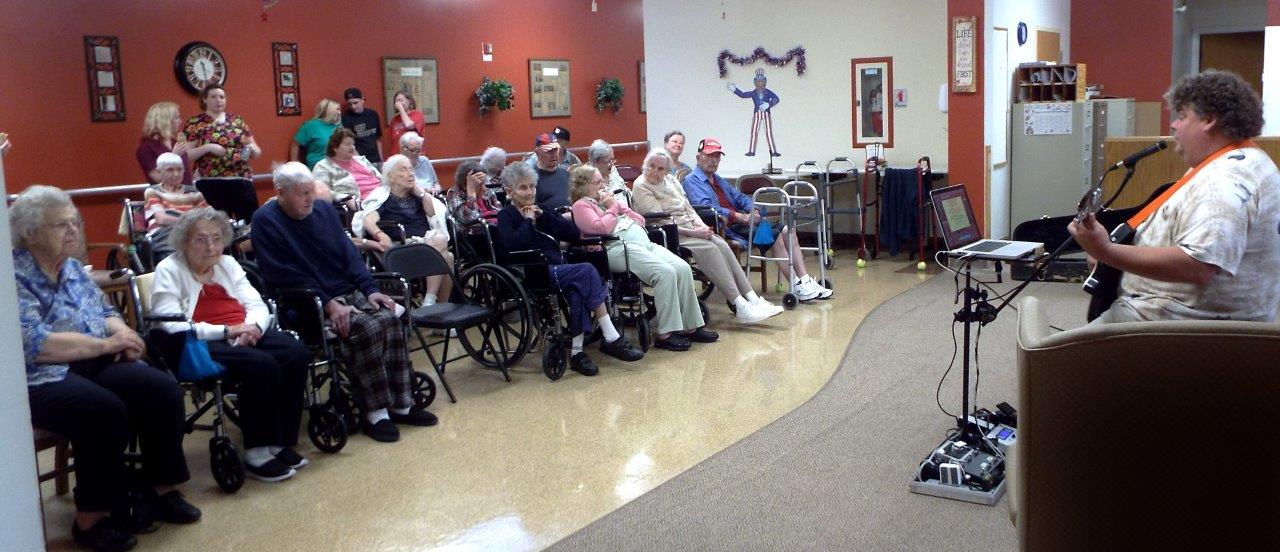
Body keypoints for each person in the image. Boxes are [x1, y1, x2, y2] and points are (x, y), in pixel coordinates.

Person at [14, 185, 200, 551]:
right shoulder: (13, 276)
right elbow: (34, 343)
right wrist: (105, 345)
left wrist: (124, 334)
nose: (73, 230)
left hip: (92, 359)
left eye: (74, 222)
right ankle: (92, 519)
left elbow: (103, 310)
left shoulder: (71, 268)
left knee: (161, 389)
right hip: (40, 376)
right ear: (31, 233)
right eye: (61, 225)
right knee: (102, 409)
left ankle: (160, 489)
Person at [1068, 70, 1280, 323]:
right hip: (1174, 314)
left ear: (1209, 120)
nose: (1173, 125)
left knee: (1052, 349)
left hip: (1175, 325)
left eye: (1181, 116)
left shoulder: (1224, 183)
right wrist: (1112, 256)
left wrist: (1107, 252)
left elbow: (1198, 266)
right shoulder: (1241, 162)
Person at [252, 162, 437, 442]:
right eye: (302, 194)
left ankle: (401, 404)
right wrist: (328, 303)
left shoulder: (323, 210)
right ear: (281, 193)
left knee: (390, 318)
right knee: (366, 327)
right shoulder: (266, 221)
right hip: (305, 301)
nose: (309, 199)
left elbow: (349, 255)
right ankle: (376, 413)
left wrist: (371, 290)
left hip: (348, 291)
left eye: (311, 192)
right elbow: (282, 274)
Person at [150, 208, 311, 482]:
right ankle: (257, 451)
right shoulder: (169, 269)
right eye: (200, 239)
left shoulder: (228, 264)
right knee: (261, 365)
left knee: (295, 353)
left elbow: (255, 303)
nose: (210, 247)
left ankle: (279, 441)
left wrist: (254, 328)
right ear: (184, 241)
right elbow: (171, 324)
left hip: (241, 330)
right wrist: (226, 331)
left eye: (216, 238)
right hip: (198, 341)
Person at [495, 162, 644, 375]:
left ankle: (576, 352)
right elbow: (511, 246)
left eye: (532, 186)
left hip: (555, 266)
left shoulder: (541, 209)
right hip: (531, 270)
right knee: (586, 271)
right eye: (523, 188)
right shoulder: (506, 216)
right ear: (509, 191)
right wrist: (527, 221)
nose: (529, 192)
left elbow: (572, 233)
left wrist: (544, 216)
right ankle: (611, 337)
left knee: (577, 289)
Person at [571, 165, 715, 351]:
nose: (602, 186)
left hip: (643, 244)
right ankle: (666, 334)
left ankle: (691, 326)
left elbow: (640, 220)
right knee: (665, 273)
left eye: (602, 181)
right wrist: (612, 208)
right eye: (597, 182)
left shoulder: (607, 201)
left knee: (682, 268)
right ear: (583, 185)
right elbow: (601, 228)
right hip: (616, 249)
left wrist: (621, 208)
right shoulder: (581, 206)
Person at [631, 149, 782, 324]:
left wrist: (702, 226)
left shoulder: (671, 180)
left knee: (721, 244)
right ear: (645, 165)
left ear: (666, 171)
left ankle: (753, 299)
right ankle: (740, 304)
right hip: (670, 232)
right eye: (651, 166)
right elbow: (661, 220)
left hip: (690, 227)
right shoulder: (641, 185)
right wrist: (694, 232)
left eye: (660, 169)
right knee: (711, 249)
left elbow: (689, 208)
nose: (655, 172)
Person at [682, 137, 832, 301]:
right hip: (725, 228)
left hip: (740, 223)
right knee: (775, 236)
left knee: (789, 230)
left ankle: (804, 280)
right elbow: (707, 209)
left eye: (717, 156)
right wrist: (739, 216)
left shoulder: (717, 179)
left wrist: (753, 209)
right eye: (709, 155)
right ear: (698, 157)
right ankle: (795, 285)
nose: (714, 160)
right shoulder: (691, 181)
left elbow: (739, 197)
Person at [356, 154, 453, 306]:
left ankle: (437, 307)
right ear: (391, 177)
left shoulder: (417, 197)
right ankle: (431, 302)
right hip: (401, 247)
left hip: (426, 244)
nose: (410, 173)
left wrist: (420, 192)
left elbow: (433, 213)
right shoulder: (384, 198)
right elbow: (368, 220)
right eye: (403, 169)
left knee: (449, 257)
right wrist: (380, 234)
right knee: (441, 242)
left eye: (411, 169)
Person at [182, 84, 260, 179]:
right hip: (209, 179)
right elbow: (186, 155)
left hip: (241, 177)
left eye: (222, 97)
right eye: (213, 97)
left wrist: (253, 149)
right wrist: (207, 148)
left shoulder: (237, 120)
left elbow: (256, 152)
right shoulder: (195, 123)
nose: (218, 100)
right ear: (205, 99)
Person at [141, 152, 208, 262]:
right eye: (170, 170)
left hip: (194, 233)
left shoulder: (194, 193)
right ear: (159, 172)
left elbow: (209, 215)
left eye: (179, 169)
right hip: (165, 233)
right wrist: (192, 221)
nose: (176, 174)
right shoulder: (153, 191)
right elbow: (162, 219)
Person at [137, 101, 215, 185]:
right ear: (166, 121)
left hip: (187, 190)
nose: (180, 121)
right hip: (165, 193)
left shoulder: (174, 142)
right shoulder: (146, 147)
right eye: (177, 118)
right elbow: (158, 178)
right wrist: (174, 156)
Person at [312, 128, 383, 203]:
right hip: (362, 203)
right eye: (348, 144)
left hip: (382, 195)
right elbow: (321, 191)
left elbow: (381, 178)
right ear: (335, 147)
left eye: (353, 144)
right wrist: (345, 199)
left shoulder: (361, 160)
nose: (352, 147)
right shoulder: (323, 166)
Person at [727, 68, 781, 157]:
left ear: (764, 82)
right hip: (757, 113)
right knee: (754, 132)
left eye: (761, 82)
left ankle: (773, 151)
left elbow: (777, 99)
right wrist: (734, 90)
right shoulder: (753, 93)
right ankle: (751, 151)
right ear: (755, 82)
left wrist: (769, 104)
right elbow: (743, 95)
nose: (760, 84)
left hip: (766, 113)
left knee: (768, 132)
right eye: (758, 82)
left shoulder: (768, 92)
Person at [447, 160, 501, 227]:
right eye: (478, 185)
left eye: (484, 183)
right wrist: (471, 193)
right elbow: (468, 220)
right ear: (465, 185)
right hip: (476, 230)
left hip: (496, 225)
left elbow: (499, 211)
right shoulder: (454, 193)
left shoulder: (487, 191)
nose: (484, 188)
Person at [291, 98, 342, 169]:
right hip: (318, 167)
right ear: (328, 110)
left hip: (338, 166)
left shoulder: (339, 125)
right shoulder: (311, 126)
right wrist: (294, 164)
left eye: (340, 110)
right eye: (337, 109)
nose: (339, 112)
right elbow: (295, 145)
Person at [341, 87, 383, 163]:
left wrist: (381, 159)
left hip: (376, 159)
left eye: (355, 103)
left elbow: (378, 139)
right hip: (360, 160)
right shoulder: (346, 118)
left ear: (363, 100)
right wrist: (361, 162)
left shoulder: (373, 114)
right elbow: (349, 144)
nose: (353, 107)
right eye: (350, 104)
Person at [532, 133, 572, 211]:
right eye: (549, 151)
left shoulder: (565, 174)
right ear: (537, 153)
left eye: (555, 150)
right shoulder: (531, 178)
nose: (554, 155)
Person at [587, 139, 631, 208]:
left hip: (626, 210)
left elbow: (623, 189)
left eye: (612, 160)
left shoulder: (613, 170)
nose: (611, 164)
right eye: (607, 161)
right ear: (594, 162)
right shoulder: (587, 177)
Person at [388, 90, 425, 156]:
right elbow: (392, 140)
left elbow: (409, 125)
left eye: (401, 100)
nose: (398, 103)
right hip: (397, 157)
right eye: (396, 101)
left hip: (413, 156)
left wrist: (401, 108)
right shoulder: (394, 120)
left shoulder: (417, 114)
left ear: (409, 101)